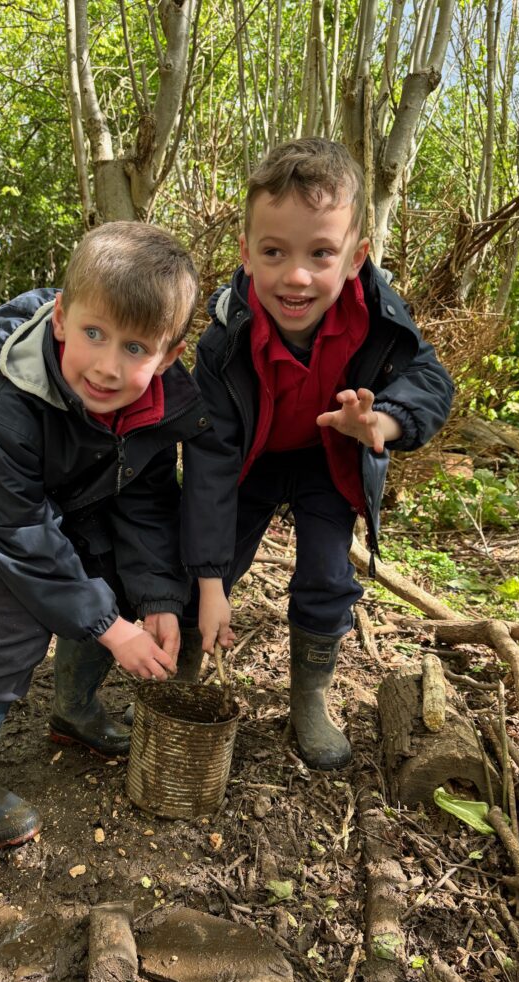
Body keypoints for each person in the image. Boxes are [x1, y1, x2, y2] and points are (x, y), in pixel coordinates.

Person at [0, 221, 210, 847]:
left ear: (169, 354)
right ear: (63, 319)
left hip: (66, 486)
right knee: (19, 625)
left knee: (116, 581)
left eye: (135, 349)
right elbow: (20, 535)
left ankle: (74, 712)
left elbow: (147, 502)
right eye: (94, 334)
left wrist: (153, 599)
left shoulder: (158, 405)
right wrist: (108, 627)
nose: (106, 366)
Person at [180, 138, 454, 771]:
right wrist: (212, 582)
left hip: (328, 455)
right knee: (199, 563)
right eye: (274, 252)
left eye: (321, 253)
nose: (296, 276)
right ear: (246, 254)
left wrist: (384, 420)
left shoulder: (379, 315)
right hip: (249, 460)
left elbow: (430, 380)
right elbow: (210, 465)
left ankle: (309, 696)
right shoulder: (226, 340)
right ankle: (184, 664)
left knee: (329, 575)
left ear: (356, 258)